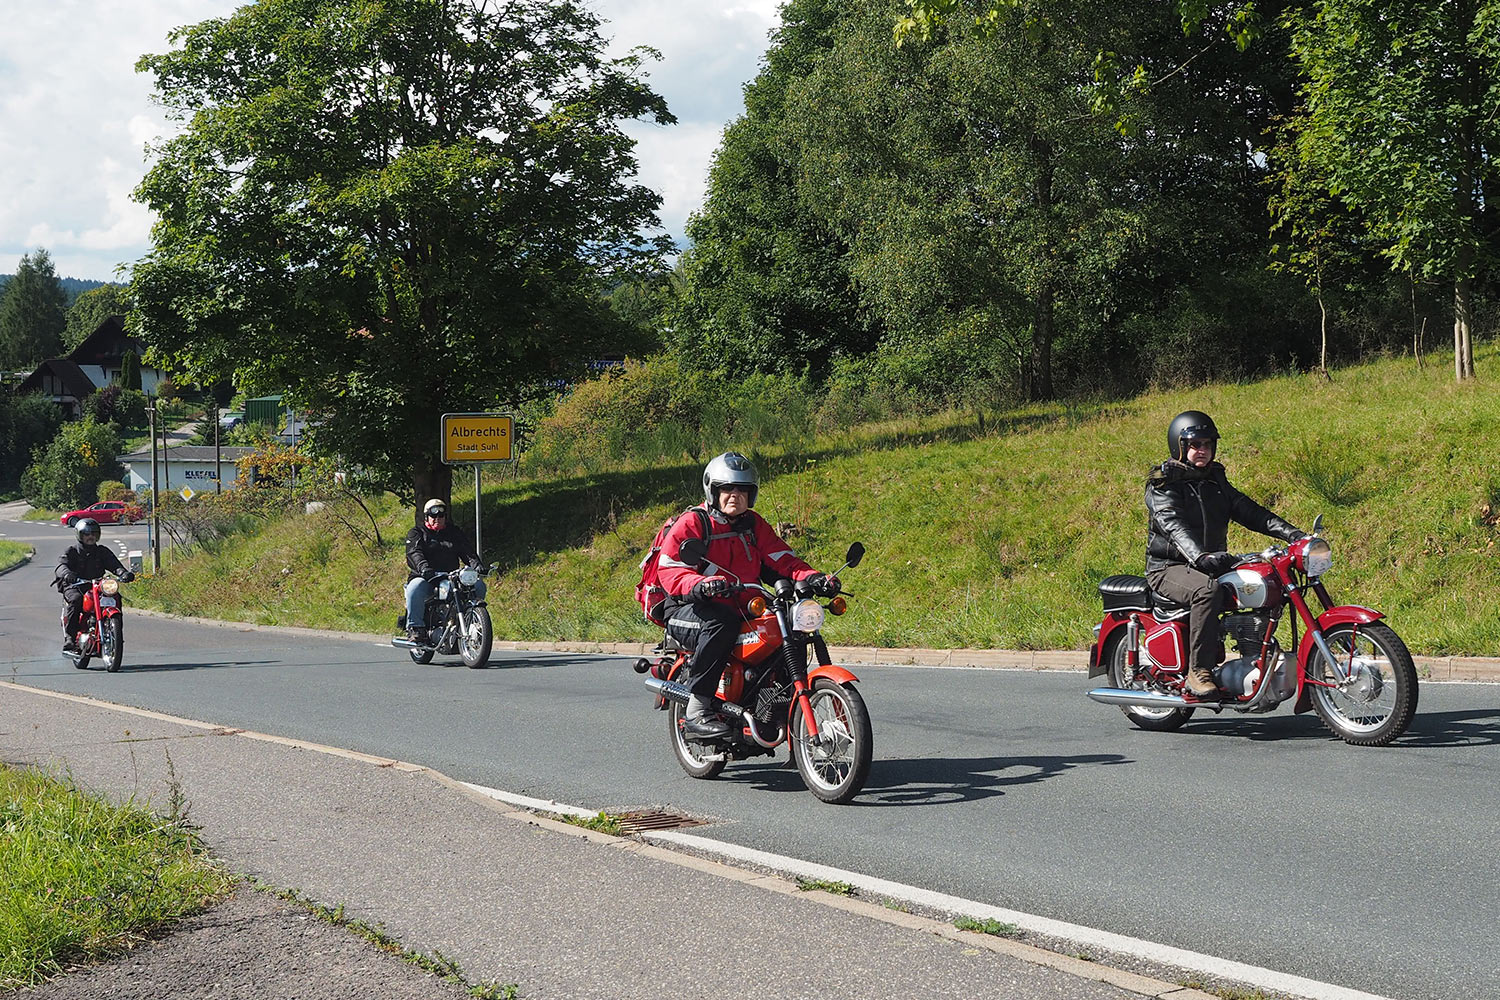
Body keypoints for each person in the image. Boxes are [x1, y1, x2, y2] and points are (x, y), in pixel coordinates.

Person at [657, 452, 840, 738]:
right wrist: (700, 585)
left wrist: (814, 577)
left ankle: (775, 708)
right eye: (727, 489)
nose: (735, 496)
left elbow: (782, 560)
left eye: (742, 490)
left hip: (744, 605)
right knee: (722, 623)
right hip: (689, 607)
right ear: (713, 491)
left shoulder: (754, 525)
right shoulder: (694, 523)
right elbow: (670, 569)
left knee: (785, 629)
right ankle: (697, 709)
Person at [1145, 411, 1305, 698]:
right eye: (1194, 444)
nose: (1202, 450)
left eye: (1207, 444)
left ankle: (1256, 654)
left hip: (1209, 561)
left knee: (1264, 579)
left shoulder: (1215, 481)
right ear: (1179, 447)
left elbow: (1251, 511)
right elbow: (1173, 525)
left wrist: (1293, 534)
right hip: (1170, 566)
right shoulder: (1164, 485)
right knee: (1207, 592)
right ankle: (1198, 671)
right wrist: (1199, 556)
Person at [403, 498, 484, 643]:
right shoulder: (417, 533)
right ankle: (415, 628)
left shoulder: (454, 532)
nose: (437, 519)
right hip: (427, 577)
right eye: (433, 516)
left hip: (451, 576)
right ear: (427, 516)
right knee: (415, 587)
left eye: (441, 516)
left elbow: (467, 552)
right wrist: (424, 568)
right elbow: (414, 553)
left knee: (478, 585)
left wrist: (477, 565)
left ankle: (473, 620)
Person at [54, 518, 134, 651]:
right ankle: (70, 638)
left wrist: (123, 573)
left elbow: (114, 565)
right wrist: (68, 574)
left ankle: (115, 632)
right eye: (86, 534)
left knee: (115, 597)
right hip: (76, 585)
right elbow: (61, 566)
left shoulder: (102, 551)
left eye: (93, 534)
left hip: (97, 585)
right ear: (80, 535)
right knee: (76, 600)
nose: (90, 537)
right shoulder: (72, 551)